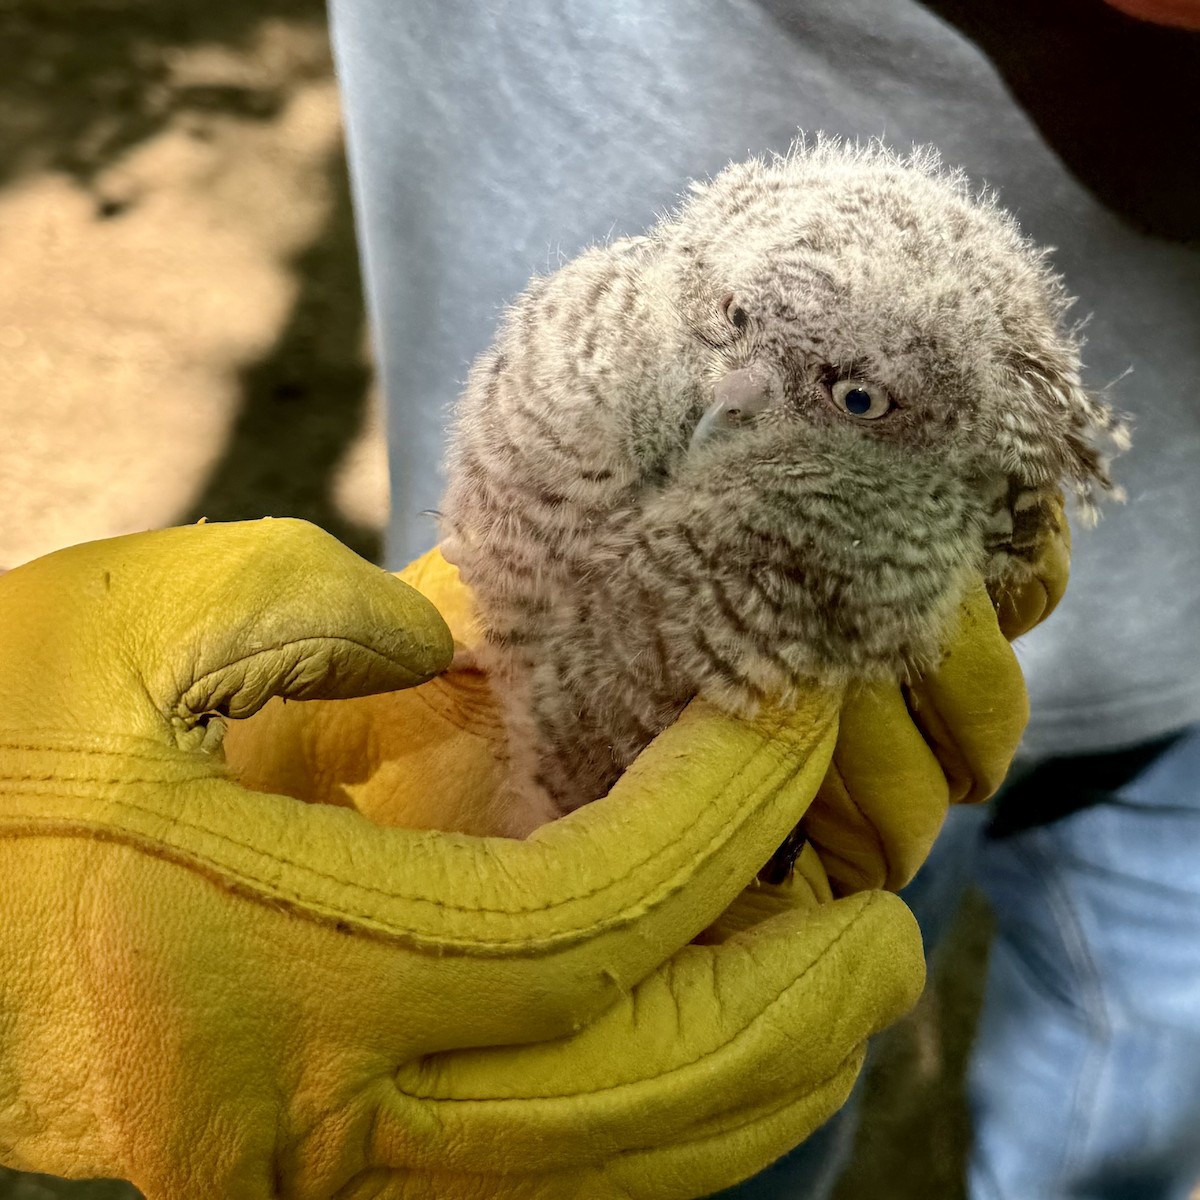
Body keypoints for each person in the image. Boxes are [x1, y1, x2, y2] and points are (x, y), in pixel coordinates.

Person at [328, 0, 1200, 1196]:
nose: (735, 390)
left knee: (1126, 1100)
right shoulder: (643, 355)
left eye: (842, 398)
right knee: (675, 1091)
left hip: (1173, 592)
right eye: (736, 330)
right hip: (613, 638)